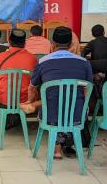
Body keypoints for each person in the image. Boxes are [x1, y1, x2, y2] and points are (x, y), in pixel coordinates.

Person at [26, 27, 93, 159]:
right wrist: (83, 106)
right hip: (76, 114)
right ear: (71, 44)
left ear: (53, 44)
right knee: (68, 108)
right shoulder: (84, 62)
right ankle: (63, 146)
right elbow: (88, 88)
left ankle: (57, 150)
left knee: (55, 107)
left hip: (50, 115)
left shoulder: (43, 61)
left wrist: (30, 102)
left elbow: (32, 87)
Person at [0, 29, 37, 106]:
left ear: (9, 42)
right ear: (25, 43)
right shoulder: (33, 58)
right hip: (25, 101)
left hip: (3, 100)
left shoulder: (0, 56)